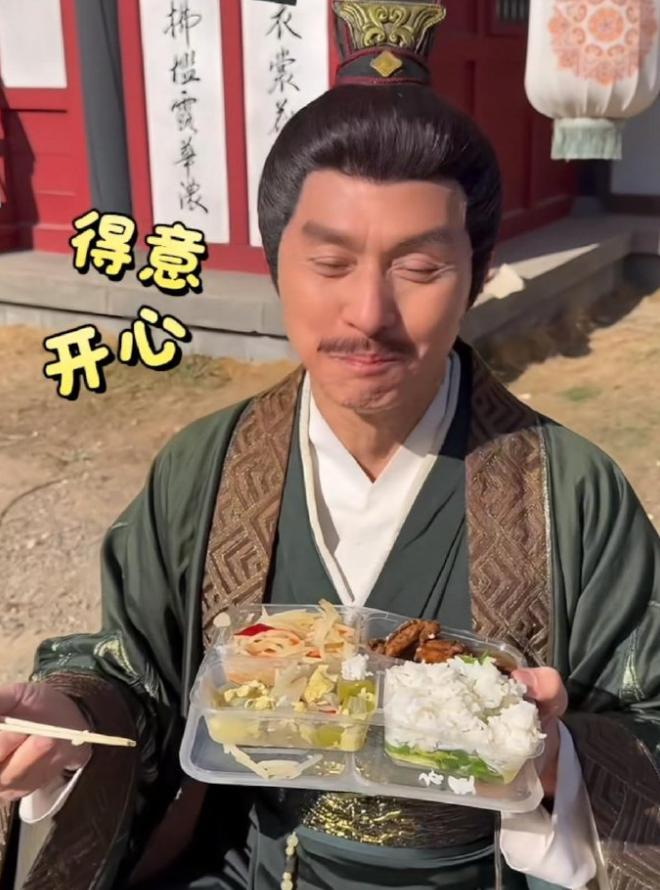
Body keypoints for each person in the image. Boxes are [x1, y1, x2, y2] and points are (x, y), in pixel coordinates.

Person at [1, 2, 659, 888]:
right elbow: (141, 679)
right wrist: (68, 719)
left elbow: (649, 722)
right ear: (277, 264)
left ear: (479, 274)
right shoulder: (205, 470)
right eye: (330, 262)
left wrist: (556, 761)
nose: (369, 313)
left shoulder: (571, 491)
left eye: (419, 267)